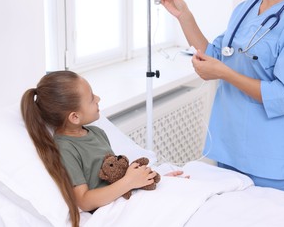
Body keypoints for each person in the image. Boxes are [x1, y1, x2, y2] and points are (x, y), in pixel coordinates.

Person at [147, 0, 284, 193]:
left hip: (269, 159)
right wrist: (183, 13)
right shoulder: (245, 9)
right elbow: (216, 55)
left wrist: (224, 73)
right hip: (230, 150)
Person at [21, 70, 185, 227]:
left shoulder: (97, 132)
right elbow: (84, 201)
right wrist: (130, 182)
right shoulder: (66, 149)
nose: (98, 98)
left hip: (125, 197)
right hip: (112, 209)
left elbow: (116, 175)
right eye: (92, 98)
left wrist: (153, 179)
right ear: (74, 117)